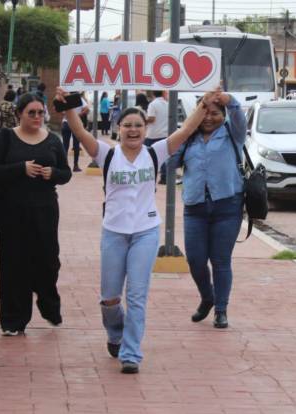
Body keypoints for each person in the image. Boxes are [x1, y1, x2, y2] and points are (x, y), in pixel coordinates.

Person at [55, 86, 214, 374]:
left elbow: (188, 128)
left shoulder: (156, 153)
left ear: (145, 128)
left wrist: (205, 103)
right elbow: (79, 132)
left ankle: (131, 353)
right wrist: (68, 105)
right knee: (110, 298)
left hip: (146, 232)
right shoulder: (107, 154)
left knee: (137, 296)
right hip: (113, 233)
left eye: (138, 125)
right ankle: (115, 334)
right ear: (118, 128)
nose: (133, 130)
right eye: (127, 125)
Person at [0, 92, 72, 336]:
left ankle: (48, 306)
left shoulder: (53, 140)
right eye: (31, 113)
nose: (36, 117)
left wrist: (51, 174)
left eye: (40, 112)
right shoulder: (6, 138)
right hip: (11, 212)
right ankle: (14, 320)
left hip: (45, 211)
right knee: (14, 265)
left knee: (48, 262)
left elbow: (66, 173)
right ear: (20, 114)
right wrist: (20, 169)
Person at [180, 91, 247, 329]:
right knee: (196, 260)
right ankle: (207, 297)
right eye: (204, 113)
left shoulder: (232, 133)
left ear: (224, 114)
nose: (209, 118)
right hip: (195, 207)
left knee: (220, 260)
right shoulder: (188, 137)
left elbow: (240, 117)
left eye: (215, 113)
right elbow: (168, 160)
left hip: (227, 206)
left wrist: (230, 100)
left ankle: (221, 309)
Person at [61, 93, 89, 172]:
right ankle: (75, 166)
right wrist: (78, 115)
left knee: (64, 145)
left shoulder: (65, 99)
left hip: (66, 123)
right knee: (76, 145)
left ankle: (64, 165)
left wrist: (67, 114)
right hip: (76, 124)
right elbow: (87, 109)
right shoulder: (79, 99)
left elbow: (60, 111)